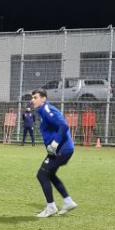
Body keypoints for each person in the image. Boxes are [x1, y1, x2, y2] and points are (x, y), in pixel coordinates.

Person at [31, 89, 78, 218]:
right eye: (32, 97)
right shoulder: (42, 111)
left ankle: (51, 207)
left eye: (35, 97)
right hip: (60, 150)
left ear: (44, 98)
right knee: (49, 174)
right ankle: (68, 201)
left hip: (62, 149)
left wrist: (55, 143)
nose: (32, 100)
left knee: (42, 175)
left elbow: (64, 126)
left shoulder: (47, 110)